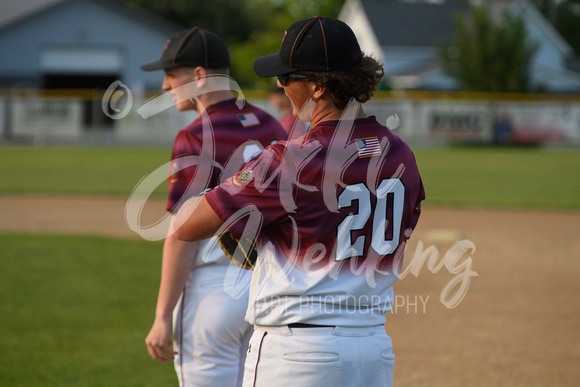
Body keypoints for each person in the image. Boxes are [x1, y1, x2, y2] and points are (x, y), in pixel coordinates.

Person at [174, 17, 425, 387]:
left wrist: (235, 190)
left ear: (319, 86)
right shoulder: (400, 153)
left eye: (287, 77)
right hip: (374, 349)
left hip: (299, 353)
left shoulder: (291, 159)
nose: (279, 85)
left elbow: (188, 226)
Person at [140, 27, 287, 387]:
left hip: (213, 292)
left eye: (172, 73)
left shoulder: (195, 134)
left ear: (199, 76)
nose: (165, 85)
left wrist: (162, 316)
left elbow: (181, 233)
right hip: (265, 290)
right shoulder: (269, 123)